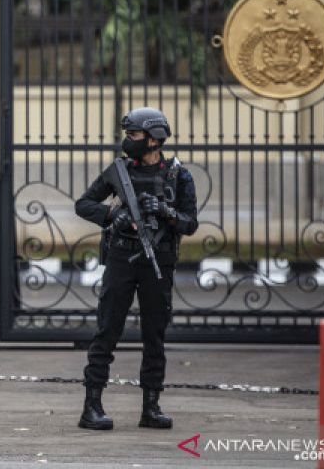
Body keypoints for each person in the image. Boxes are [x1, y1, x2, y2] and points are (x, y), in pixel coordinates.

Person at [75, 107, 198, 431]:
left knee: (154, 335)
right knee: (107, 330)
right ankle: (92, 405)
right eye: (127, 135)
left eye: (134, 135)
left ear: (154, 139)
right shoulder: (120, 171)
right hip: (121, 258)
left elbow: (190, 224)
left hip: (158, 261)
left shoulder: (177, 175)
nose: (128, 141)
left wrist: (166, 212)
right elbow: (84, 203)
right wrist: (110, 216)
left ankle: (151, 406)